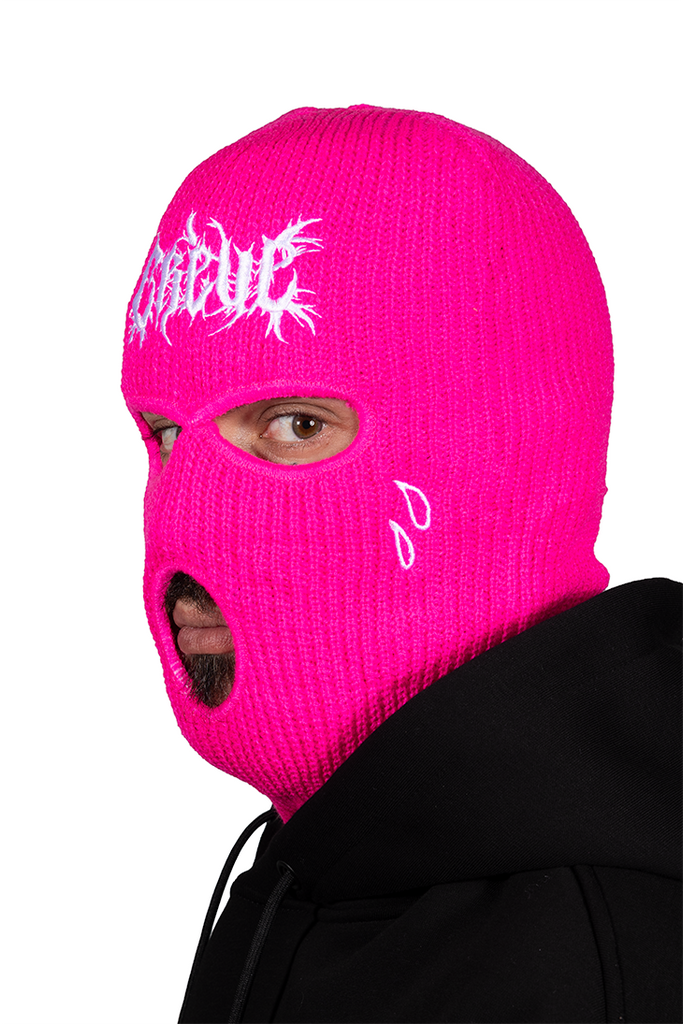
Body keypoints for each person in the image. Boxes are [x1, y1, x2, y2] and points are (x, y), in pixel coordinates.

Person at [121, 105, 683, 1023]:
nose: (185, 514)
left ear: (501, 457)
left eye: (296, 424)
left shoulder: (584, 963)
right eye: (166, 435)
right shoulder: (333, 862)